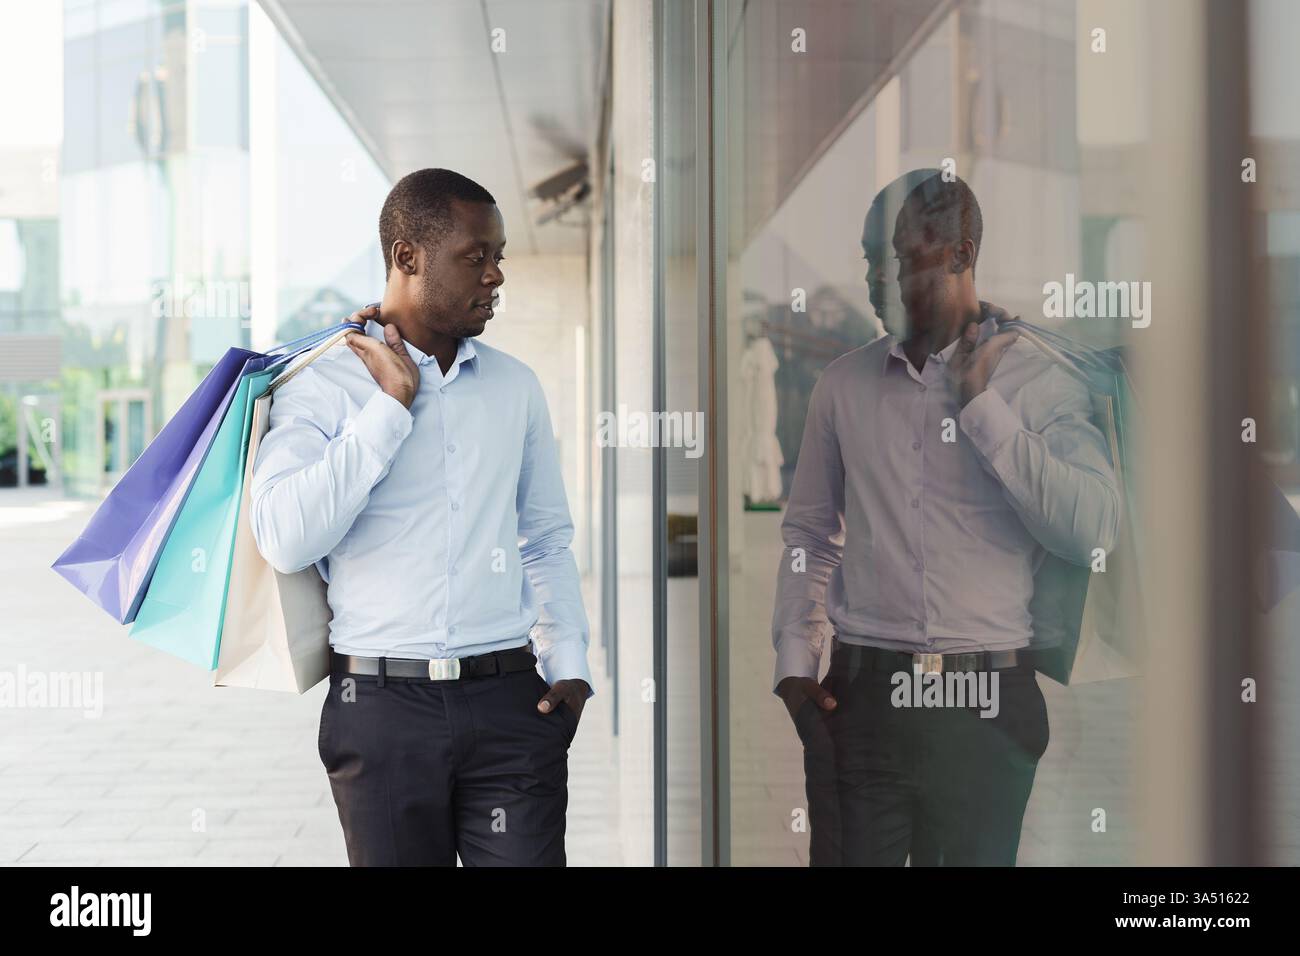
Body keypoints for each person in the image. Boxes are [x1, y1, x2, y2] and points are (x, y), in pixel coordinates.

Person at [772, 170, 1121, 865]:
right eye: (870, 258)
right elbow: (812, 533)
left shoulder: (1041, 379)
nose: (877, 278)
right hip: (864, 698)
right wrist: (795, 665)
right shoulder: (844, 385)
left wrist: (981, 409)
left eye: (899, 259)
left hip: (988, 705)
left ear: (961, 255)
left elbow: (1093, 530)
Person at [250, 168, 593, 866]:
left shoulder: (515, 388)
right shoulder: (321, 384)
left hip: (511, 710)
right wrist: (389, 410)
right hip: (381, 714)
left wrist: (571, 665)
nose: (495, 276)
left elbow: (546, 538)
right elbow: (284, 536)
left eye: (499, 258)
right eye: (477, 257)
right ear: (408, 257)